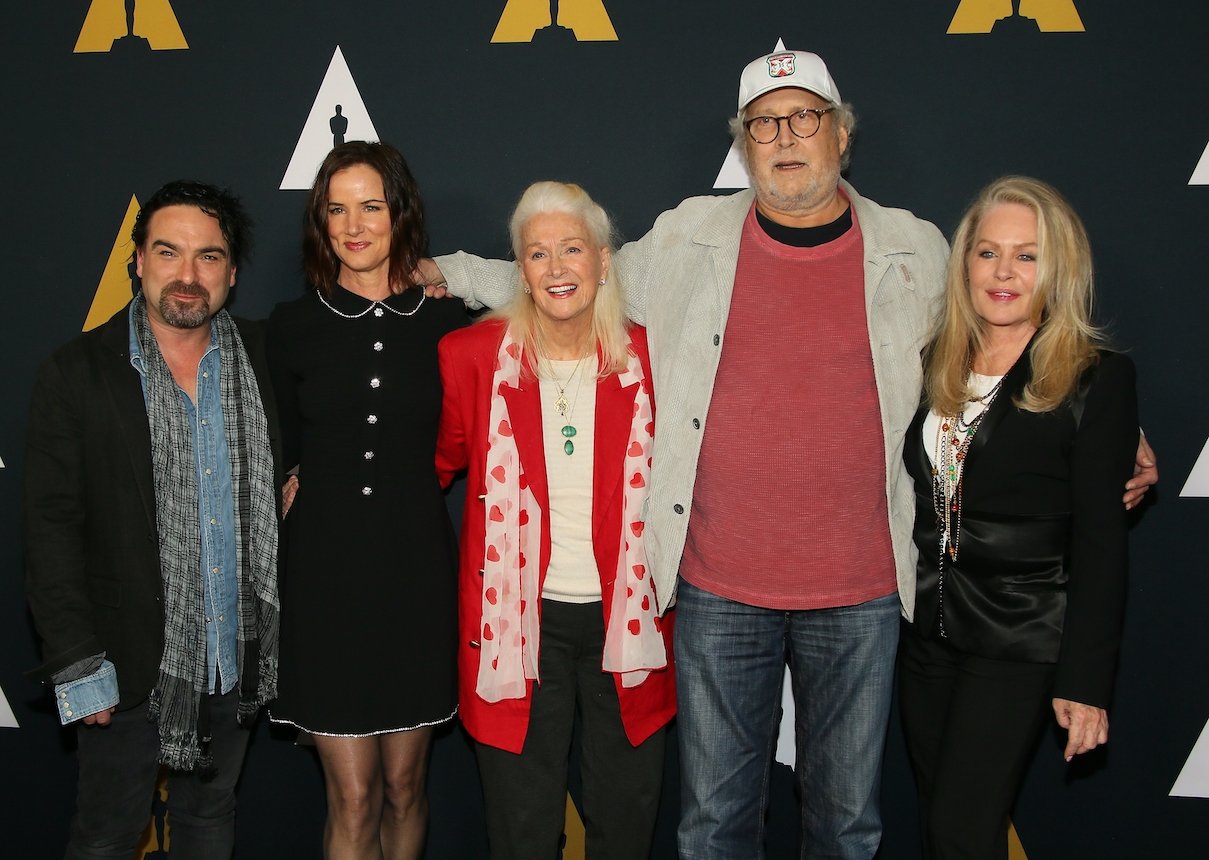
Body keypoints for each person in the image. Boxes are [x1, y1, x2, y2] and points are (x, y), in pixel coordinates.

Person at [418, 51, 1157, 858]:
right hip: (714, 589)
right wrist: (447, 272)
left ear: (840, 134)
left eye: (804, 117)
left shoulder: (911, 247)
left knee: (844, 825)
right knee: (711, 826)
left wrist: (1102, 425)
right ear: (744, 144)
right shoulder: (687, 236)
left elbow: (997, 336)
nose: (784, 138)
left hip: (862, 593)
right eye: (764, 124)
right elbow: (569, 280)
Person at [24, 180, 281, 859]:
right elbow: (49, 532)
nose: (188, 276)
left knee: (209, 821)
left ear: (231, 271)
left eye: (209, 257)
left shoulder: (267, 360)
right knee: (107, 837)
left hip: (236, 657)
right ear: (137, 261)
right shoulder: (76, 373)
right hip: (126, 667)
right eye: (169, 253)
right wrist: (80, 667)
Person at [898, 176, 1137, 859]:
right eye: (986, 252)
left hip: (1017, 640)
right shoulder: (928, 362)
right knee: (937, 823)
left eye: (1026, 256)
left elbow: (1100, 540)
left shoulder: (1094, 377)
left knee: (960, 832)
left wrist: (1085, 682)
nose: (1003, 272)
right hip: (924, 636)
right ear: (963, 262)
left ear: (1056, 269)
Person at [434, 181, 675, 859]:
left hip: (626, 622)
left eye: (572, 249)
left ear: (603, 261)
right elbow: (430, 464)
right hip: (517, 621)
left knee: (625, 824)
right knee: (520, 829)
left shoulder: (653, 358)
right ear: (520, 270)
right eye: (537, 254)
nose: (557, 267)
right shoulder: (470, 359)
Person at [266, 141, 466, 860]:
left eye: (371, 207)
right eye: (336, 209)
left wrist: (449, 276)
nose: (354, 225)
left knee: (406, 786)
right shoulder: (289, 328)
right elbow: (274, 445)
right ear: (319, 221)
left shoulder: (450, 323)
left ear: (399, 214)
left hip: (415, 574)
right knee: (351, 796)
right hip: (323, 580)